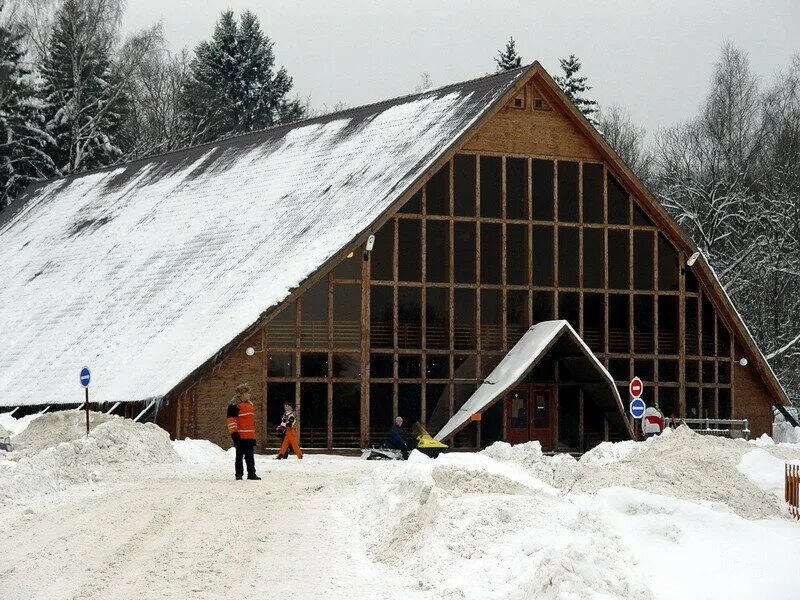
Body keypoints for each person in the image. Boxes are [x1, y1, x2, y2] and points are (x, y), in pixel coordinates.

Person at [226, 383, 260, 480]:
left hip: (249, 436)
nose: (250, 395)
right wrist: (234, 434)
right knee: (239, 456)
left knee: (250, 456)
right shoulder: (233, 406)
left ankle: (251, 474)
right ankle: (239, 474)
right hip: (239, 436)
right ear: (243, 394)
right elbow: (231, 421)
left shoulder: (249, 405)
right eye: (248, 393)